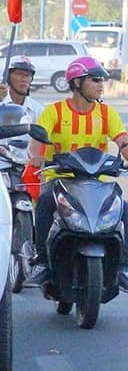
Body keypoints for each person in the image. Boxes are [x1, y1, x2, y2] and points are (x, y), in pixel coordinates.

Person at [26, 57, 128, 288]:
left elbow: (122, 140)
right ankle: (41, 261)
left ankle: (123, 265)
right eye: (95, 80)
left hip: (97, 181)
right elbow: (36, 142)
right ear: (77, 82)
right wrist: (36, 156)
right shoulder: (55, 112)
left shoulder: (106, 113)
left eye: (102, 80)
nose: (101, 84)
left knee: (124, 207)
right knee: (44, 202)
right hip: (60, 180)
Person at [0, 55, 43, 122]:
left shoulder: (38, 110)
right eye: (19, 74)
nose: (24, 79)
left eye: (28, 75)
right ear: (8, 77)